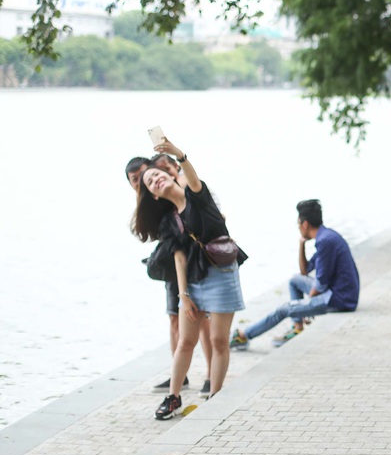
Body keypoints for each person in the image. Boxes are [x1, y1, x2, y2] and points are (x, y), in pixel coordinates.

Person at [132, 139, 248, 420]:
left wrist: (178, 153)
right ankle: (173, 397)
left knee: (220, 340)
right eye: (149, 182)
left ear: (170, 174)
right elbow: (179, 258)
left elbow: (191, 176)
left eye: (157, 174)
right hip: (194, 279)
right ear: (153, 195)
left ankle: (215, 397)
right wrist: (183, 296)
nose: (156, 179)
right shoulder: (167, 221)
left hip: (220, 272)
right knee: (186, 341)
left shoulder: (196, 193)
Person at [230, 199, 359, 349]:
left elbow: (321, 283)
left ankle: (244, 336)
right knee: (294, 281)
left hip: (339, 298)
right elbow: (305, 271)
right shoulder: (326, 236)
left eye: (298, 223)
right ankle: (297, 328)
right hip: (338, 292)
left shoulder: (325, 242)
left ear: (305, 224)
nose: (298, 227)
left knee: (284, 309)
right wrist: (301, 244)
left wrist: (307, 308)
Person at [152, 153, 215, 393]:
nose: (165, 173)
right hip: (173, 267)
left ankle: (211, 375)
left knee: (203, 324)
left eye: (167, 168)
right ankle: (181, 377)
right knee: (175, 319)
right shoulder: (160, 206)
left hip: (199, 266)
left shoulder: (192, 192)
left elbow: (216, 218)